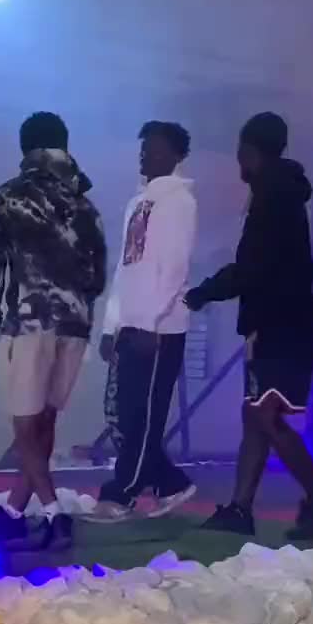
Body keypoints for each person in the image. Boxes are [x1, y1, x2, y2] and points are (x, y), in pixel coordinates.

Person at [186, 112, 313, 540]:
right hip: (283, 322)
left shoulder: (272, 198)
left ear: (249, 150)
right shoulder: (281, 193)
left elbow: (252, 267)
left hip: (279, 325)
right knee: (255, 414)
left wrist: (204, 291)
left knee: (264, 414)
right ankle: (240, 508)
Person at [0, 112, 107, 546]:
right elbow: (98, 276)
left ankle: (54, 514)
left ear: (24, 148)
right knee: (45, 421)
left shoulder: (7, 198)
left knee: (24, 426)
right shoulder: (86, 206)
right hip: (75, 324)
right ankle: (14, 510)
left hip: (29, 321)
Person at [88, 120, 197, 522]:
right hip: (130, 325)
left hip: (160, 329)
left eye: (155, 149)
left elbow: (174, 268)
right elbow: (125, 268)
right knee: (124, 414)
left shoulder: (179, 202)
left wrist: (151, 321)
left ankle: (123, 493)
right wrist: (110, 326)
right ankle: (170, 483)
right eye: (143, 149)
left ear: (176, 156)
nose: (145, 155)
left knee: (145, 415)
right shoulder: (139, 202)